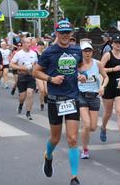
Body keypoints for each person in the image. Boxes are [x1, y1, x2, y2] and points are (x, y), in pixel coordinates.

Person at [33, 20, 84, 185]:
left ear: (71, 34)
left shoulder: (77, 50)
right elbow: (36, 71)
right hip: (55, 100)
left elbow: (80, 67)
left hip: (72, 99)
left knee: (72, 139)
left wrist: (80, 75)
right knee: (55, 138)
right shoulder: (49, 52)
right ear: (56, 33)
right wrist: (51, 79)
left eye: (67, 32)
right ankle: (48, 156)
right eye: (62, 33)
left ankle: (74, 177)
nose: (65, 36)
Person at [78, 42, 108, 159]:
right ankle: (85, 149)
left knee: (93, 127)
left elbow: (106, 77)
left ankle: (85, 131)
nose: (87, 53)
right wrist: (78, 77)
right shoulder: (78, 64)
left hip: (94, 96)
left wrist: (102, 87)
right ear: (81, 52)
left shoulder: (98, 63)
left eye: (89, 51)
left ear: (92, 52)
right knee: (86, 124)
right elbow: (71, 76)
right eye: (85, 51)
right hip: (82, 95)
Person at [100, 34, 120, 143]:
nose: (118, 44)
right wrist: (112, 69)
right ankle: (103, 127)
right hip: (108, 85)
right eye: (116, 43)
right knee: (108, 112)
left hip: (119, 86)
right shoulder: (108, 55)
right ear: (112, 44)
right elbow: (99, 69)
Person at [10, 37, 38, 120]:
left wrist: (34, 69)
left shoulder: (34, 53)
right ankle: (21, 104)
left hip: (31, 76)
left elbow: (36, 64)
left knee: (30, 93)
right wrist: (21, 67)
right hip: (22, 76)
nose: (29, 44)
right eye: (27, 43)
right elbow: (11, 64)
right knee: (22, 97)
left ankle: (28, 113)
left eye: (30, 43)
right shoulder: (18, 54)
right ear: (23, 44)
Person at [36, 40, 47, 111]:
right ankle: (42, 103)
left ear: (43, 46)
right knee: (42, 90)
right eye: (39, 45)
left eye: (41, 45)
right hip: (38, 73)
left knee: (46, 91)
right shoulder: (35, 53)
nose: (40, 46)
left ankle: (45, 98)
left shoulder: (45, 53)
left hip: (45, 73)